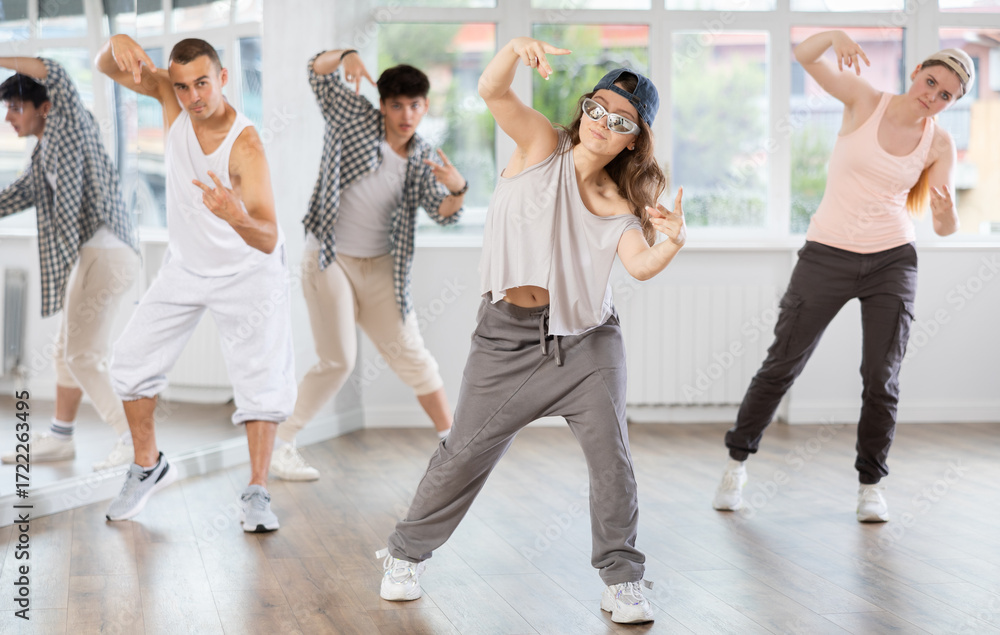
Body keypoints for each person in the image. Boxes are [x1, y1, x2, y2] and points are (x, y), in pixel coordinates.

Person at [377, 37, 686, 625]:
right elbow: (492, 90)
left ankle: (623, 579)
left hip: (588, 342)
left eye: (619, 120)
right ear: (584, 110)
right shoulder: (544, 145)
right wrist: (515, 51)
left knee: (612, 459)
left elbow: (641, 266)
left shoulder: (618, 198)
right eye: (596, 108)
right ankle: (404, 555)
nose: (602, 123)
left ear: (634, 137)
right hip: (506, 337)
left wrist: (673, 240)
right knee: (463, 453)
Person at [712, 31, 971, 523]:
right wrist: (834, 37)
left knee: (881, 377)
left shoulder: (939, 142)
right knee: (782, 364)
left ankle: (871, 485)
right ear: (916, 70)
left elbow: (945, 225)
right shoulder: (864, 100)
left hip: (892, 260)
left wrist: (948, 211)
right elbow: (803, 56)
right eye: (932, 81)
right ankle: (735, 465)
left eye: (946, 96)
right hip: (826, 254)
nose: (932, 96)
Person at [94, 35, 296, 532]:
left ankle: (256, 491)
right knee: (128, 361)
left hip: (249, 269)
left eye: (202, 83)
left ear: (223, 78)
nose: (192, 96)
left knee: (261, 383)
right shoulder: (171, 99)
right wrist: (115, 40)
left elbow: (268, 238)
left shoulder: (246, 146)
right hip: (186, 267)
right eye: (182, 86)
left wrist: (233, 215)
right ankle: (148, 465)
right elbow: (105, 66)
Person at [268, 49, 466, 481]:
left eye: (415, 105)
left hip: (381, 270)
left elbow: (444, 213)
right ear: (382, 105)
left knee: (416, 360)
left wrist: (459, 188)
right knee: (338, 359)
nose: (406, 114)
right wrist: (346, 56)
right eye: (396, 104)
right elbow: (315, 73)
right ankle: (280, 445)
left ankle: (455, 451)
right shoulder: (354, 118)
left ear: (426, 107)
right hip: (329, 256)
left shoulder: (425, 155)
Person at [0, 57, 139, 471]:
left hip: (109, 251)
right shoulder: (43, 156)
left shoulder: (70, 123)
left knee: (82, 356)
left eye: (16, 107)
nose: (8, 117)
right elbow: (15, 196)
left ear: (45, 107)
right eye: (6, 109)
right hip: (93, 254)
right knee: (66, 351)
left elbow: (56, 72)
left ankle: (132, 439)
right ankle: (61, 438)